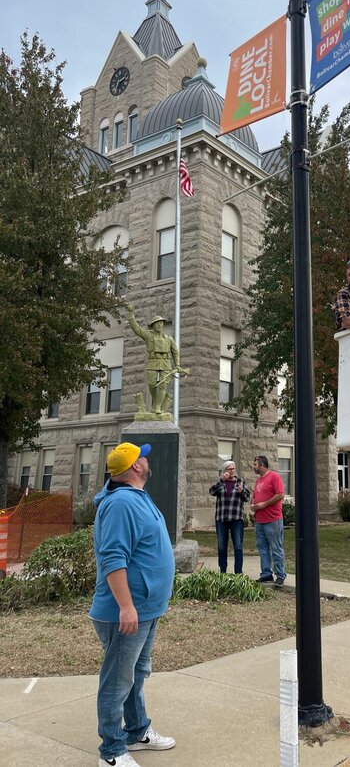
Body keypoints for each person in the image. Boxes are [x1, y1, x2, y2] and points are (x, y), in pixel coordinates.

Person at [89, 441, 176, 767]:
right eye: (142, 456)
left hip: (146, 609)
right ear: (136, 467)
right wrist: (126, 606)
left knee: (136, 675)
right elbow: (113, 557)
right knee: (116, 682)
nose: (146, 459)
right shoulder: (122, 503)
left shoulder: (135, 496)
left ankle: (137, 731)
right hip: (126, 613)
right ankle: (111, 753)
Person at [128, 304, 185, 415]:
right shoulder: (148, 335)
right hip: (153, 362)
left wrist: (177, 364)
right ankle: (155, 404)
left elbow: (175, 352)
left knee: (163, 385)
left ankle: (158, 407)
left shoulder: (169, 339)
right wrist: (131, 313)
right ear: (153, 325)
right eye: (157, 323)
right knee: (152, 384)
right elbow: (136, 328)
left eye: (161, 322)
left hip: (165, 363)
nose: (160, 324)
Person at [209, 460, 250, 574]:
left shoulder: (240, 481)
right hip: (221, 518)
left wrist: (242, 491)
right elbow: (212, 492)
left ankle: (238, 572)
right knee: (222, 545)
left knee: (238, 545)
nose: (232, 471)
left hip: (236, 518)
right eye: (229, 469)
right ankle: (223, 571)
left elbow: (247, 497)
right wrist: (222, 480)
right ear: (225, 471)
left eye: (233, 468)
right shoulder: (220, 481)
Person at [250, 455, 286, 585]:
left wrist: (264, 504)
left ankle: (280, 575)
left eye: (254, 464)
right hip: (259, 520)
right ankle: (266, 574)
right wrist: (253, 505)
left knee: (276, 547)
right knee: (262, 548)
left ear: (261, 464)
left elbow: (280, 494)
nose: (253, 467)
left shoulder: (274, 477)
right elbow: (254, 496)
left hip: (273, 519)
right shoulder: (258, 480)